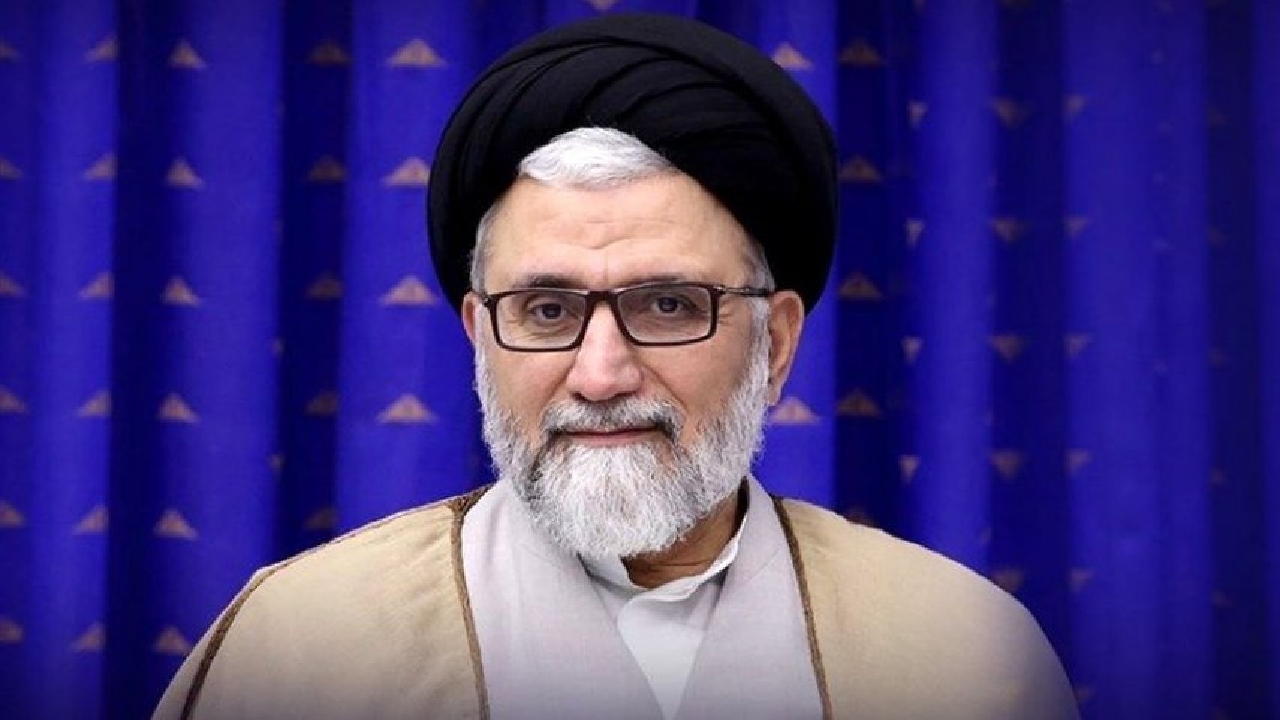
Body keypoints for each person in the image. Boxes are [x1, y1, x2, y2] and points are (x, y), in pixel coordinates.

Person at [153, 13, 1078, 720]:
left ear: (776, 344)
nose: (600, 376)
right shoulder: (301, 648)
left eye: (668, 305)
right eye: (547, 310)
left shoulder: (962, 655)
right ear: (480, 335)